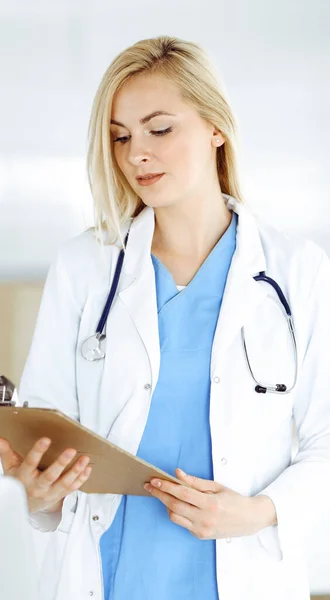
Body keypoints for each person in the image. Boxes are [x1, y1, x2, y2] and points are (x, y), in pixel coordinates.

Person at [0, 35, 330, 600]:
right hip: (106, 576)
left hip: (242, 574)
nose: (136, 154)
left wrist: (256, 513)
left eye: (160, 129)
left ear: (215, 128)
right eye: (121, 137)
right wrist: (40, 489)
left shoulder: (297, 272)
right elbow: (46, 433)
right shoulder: (85, 267)